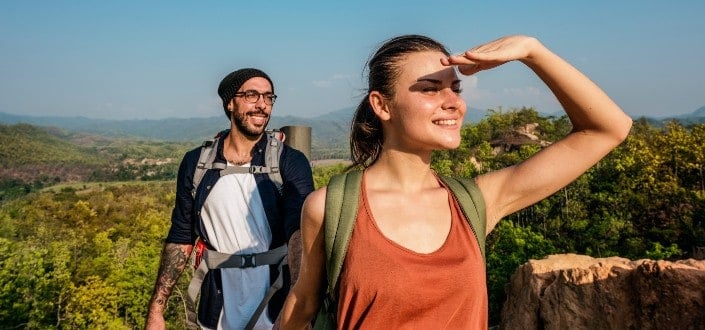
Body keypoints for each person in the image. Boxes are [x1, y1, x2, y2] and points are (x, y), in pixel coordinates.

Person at [278, 34, 632, 329]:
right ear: (382, 106)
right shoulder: (332, 207)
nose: (454, 103)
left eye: (456, 89)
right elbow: (305, 300)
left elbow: (608, 129)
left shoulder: (475, 202)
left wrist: (531, 50)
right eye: (431, 90)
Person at [146, 68, 314, 329]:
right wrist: (156, 310)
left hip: (276, 309)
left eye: (268, 97)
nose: (262, 104)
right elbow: (181, 237)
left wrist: (296, 308)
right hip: (216, 311)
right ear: (229, 102)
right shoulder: (197, 163)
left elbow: (299, 235)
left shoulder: (289, 161)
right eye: (252, 95)